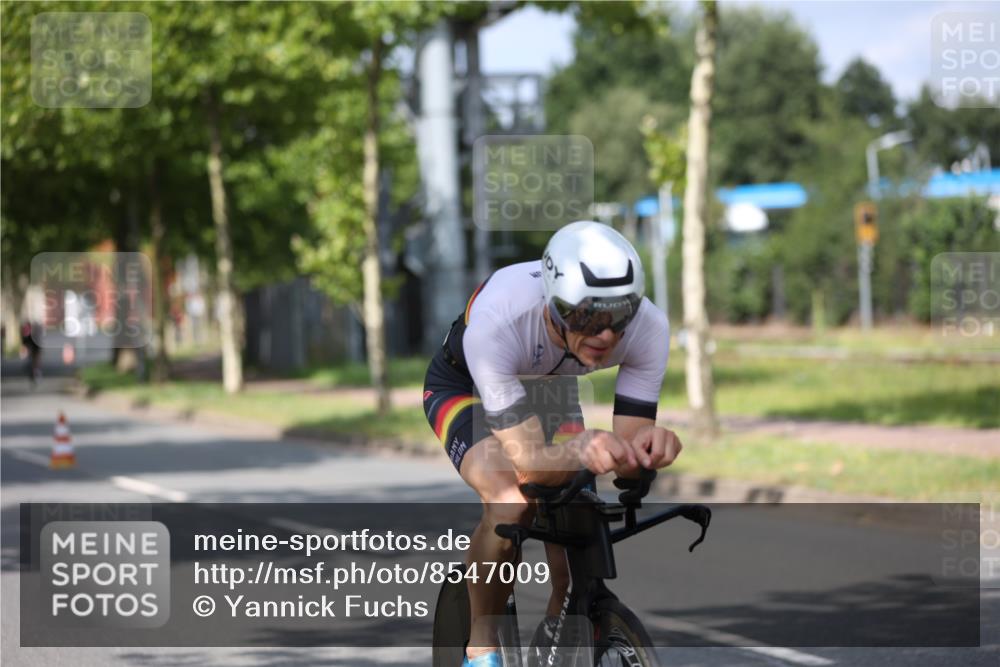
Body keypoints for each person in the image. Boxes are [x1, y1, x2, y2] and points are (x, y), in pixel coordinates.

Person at [423, 221, 683, 667]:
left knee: (576, 534)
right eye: (585, 317)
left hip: (549, 392)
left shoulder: (649, 328)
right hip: (466, 386)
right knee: (510, 501)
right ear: (555, 306)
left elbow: (626, 456)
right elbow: (531, 467)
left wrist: (647, 450)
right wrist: (582, 449)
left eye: (619, 317)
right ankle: (481, 648)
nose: (604, 335)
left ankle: (558, 642)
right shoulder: (501, 321)